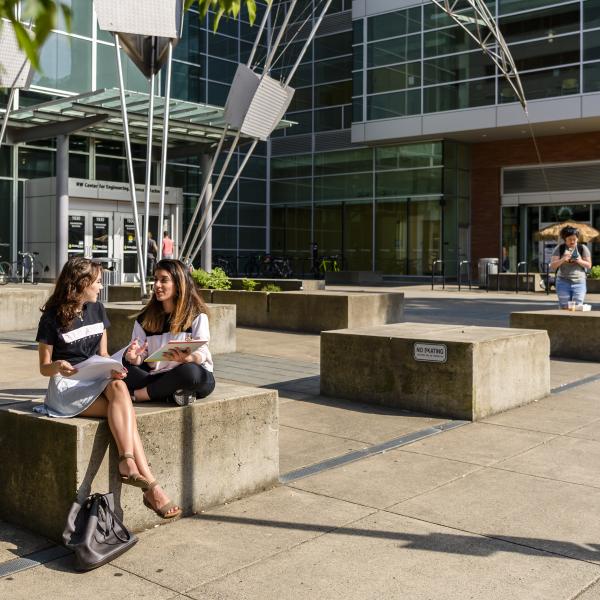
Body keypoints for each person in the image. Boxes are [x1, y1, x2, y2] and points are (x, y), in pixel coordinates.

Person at [36, 257, 181, 519]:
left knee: (118, 387)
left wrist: (113, 366)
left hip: (96, 380)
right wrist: (57, 365)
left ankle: (128, 461)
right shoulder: (51, 318)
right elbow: (44, 367)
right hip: (67, 388)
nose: (101, 287)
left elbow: (103, 354)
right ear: (81, 284)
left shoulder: (97, 309)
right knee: (127, 414)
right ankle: (151, 486)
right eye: (98, 282)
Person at [123, 259, 215, 406]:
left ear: (178, 284)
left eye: (164, 280)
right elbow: (141, 354)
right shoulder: (144, 318)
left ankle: (141, 395)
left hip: (189, 372)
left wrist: (189, 358)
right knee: (124, 367)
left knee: (190, 374)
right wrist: (134, 357)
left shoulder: (196, 315)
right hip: (157, 375)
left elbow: (202, 352)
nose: (157, 285)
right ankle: (171, 393)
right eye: (155, 280)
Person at [549, 225, 592, 308]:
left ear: (577, 239)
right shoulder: (560, 248)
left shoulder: (582, 248)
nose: (572, 242)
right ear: (565, 239)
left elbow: (589, 265)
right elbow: (553, 266)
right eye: (569, 239)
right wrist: (563, 259)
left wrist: (579, 260)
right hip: (562, 281)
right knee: (565, 306)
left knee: (578, 307)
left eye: (574, 239)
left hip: (579, 282)